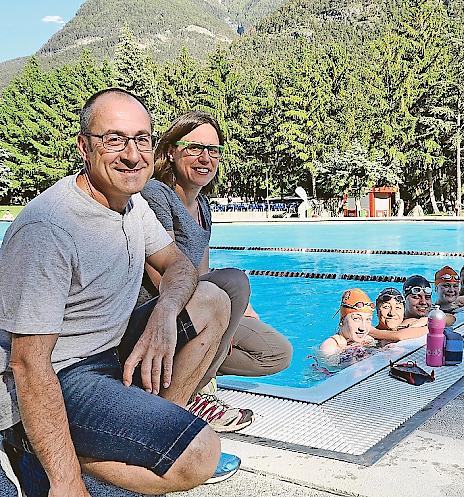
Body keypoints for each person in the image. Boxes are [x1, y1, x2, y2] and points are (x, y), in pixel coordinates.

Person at [0, 88, 239, 496]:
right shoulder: (50, 229)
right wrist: (67, 482)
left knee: (214, 300)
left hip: (111, 351)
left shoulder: (130, 203)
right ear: (84, 147)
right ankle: (39, 446)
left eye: (141, 139)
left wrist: (164, 315)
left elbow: (178, 264)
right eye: (114, 139)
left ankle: (158, 432)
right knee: (200, 454)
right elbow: (28, 365)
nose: (132, 154)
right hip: (64, 373)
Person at [140, 110, 292, 432]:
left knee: (276, 353)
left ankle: (191, 378)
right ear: (170, 151)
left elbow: (204, 272)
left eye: (213, 150)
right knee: (235, 281)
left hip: (197, 312)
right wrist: (225, 310)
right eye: (194, 147)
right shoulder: (156, 194)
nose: (204, 157)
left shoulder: (204, 206)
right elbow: (160, 278)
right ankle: (190, 397)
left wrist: (236, 314)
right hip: (157, 317)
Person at [320, 289, 377, 358]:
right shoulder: (330, 347)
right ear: (342, 320)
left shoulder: (368, 340)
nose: (363, 328)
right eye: (356, 319)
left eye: (368, 319)